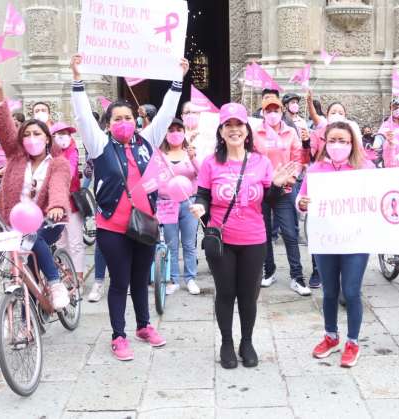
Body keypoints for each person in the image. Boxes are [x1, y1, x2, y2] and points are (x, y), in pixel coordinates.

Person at [70, 54, 188, 361]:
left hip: (145, 223)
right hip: (113, 226)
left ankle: (144, 326)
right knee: (119, 281)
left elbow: (165, 115)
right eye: (116, 119)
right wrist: (77, 79)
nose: (123, 123)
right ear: (108, 124)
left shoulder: (147, 140)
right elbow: (83, 118)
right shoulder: (99, 145)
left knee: (140, 279)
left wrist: (177, 81)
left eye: (127, 118)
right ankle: (119, 335)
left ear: (135, 120)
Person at [190, 102, 299, 369]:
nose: (234, 129)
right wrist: (200, 207)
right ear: (221, 131)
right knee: (225, 293)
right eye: (229, 125)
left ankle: (246, 341)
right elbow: (203, 194)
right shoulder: (210, 163)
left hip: (254, 239)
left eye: (239, 124)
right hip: (222, 239)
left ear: (247, 131)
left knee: (248, 295)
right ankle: (226, 342)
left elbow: (269, 202)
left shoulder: (260, 162)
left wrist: (275, 186)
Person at [0, 75, 72, 311]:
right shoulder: (15, 157)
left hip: (49, 220)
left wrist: (56, 205)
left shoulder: (58, 163)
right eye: (26, 134)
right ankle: (30, 313)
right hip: (17, 221)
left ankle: (56, 284)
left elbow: (58, 184)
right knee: (26, 268)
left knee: (34, 239)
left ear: (47, 138)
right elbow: (5, 128)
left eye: (37, 134)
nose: (31, 138)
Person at [297, 121, 374, 368]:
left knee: (351, 291)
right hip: (326, 240)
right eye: (333, 140)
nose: (337, 145)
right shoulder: (316, 170)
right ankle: (331, 336)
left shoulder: (366, 168)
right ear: (325, 143)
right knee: (329, 291)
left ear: (353, 143)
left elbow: (383, 189)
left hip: (355, 241)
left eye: (343, 141)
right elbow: (301, 199)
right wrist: (302, 203)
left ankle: (352, 341)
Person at [253, 96, 309, 294]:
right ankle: (269, 271)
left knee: (290, 233)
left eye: (276, 110)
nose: (272, 114)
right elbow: (251, 159)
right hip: (263, 189)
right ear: (263, 112)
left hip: (284, 189)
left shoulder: (290, 132)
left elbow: (298, 157)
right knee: (265, 233)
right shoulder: (255, 132)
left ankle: (297, 276)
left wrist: (291, 176)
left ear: (281, 111)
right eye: (269, 110)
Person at [159, 118, 201, 295]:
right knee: (171, 244)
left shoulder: (190, 153)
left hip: (189, 202)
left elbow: (201, 175)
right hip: (166, 203)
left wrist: (193, 159)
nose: (175, 133)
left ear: (184, 133)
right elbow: (153, 178)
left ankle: (190, 278)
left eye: (178, 129)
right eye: (171, 130)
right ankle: (174, 279)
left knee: (189, 243)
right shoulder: (159, 155)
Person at [52, 122, 86, 287]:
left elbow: (71, 172)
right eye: (58, 134)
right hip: (54, 205)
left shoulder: (73, 151)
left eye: (65, 133)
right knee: (60, 242)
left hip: (71, 203)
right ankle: (66, 273)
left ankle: (78, 275)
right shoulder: (49, 154)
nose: (62, 137)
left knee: (75, 241)